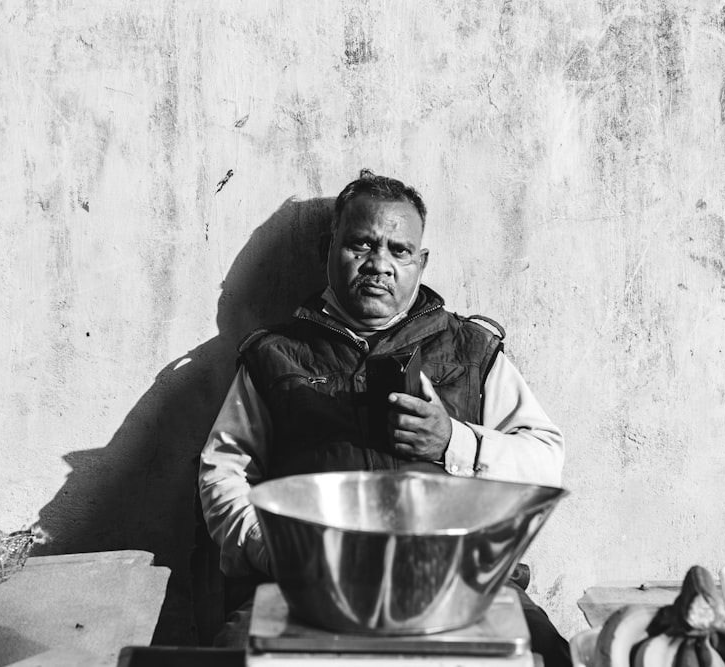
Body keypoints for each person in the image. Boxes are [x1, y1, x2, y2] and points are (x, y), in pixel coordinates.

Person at [198, 169, 570, 666]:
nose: (379, 264)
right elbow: (225, 471)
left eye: (399, 250)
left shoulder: (472, 350)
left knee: (547, 655)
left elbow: (546, 462)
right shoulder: (276, 355)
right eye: (361, 244)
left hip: (458, 587)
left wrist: (452, 442)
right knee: (232, 658)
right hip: (306, 592)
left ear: (421, 262)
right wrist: (282, 550)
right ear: (330, 248)